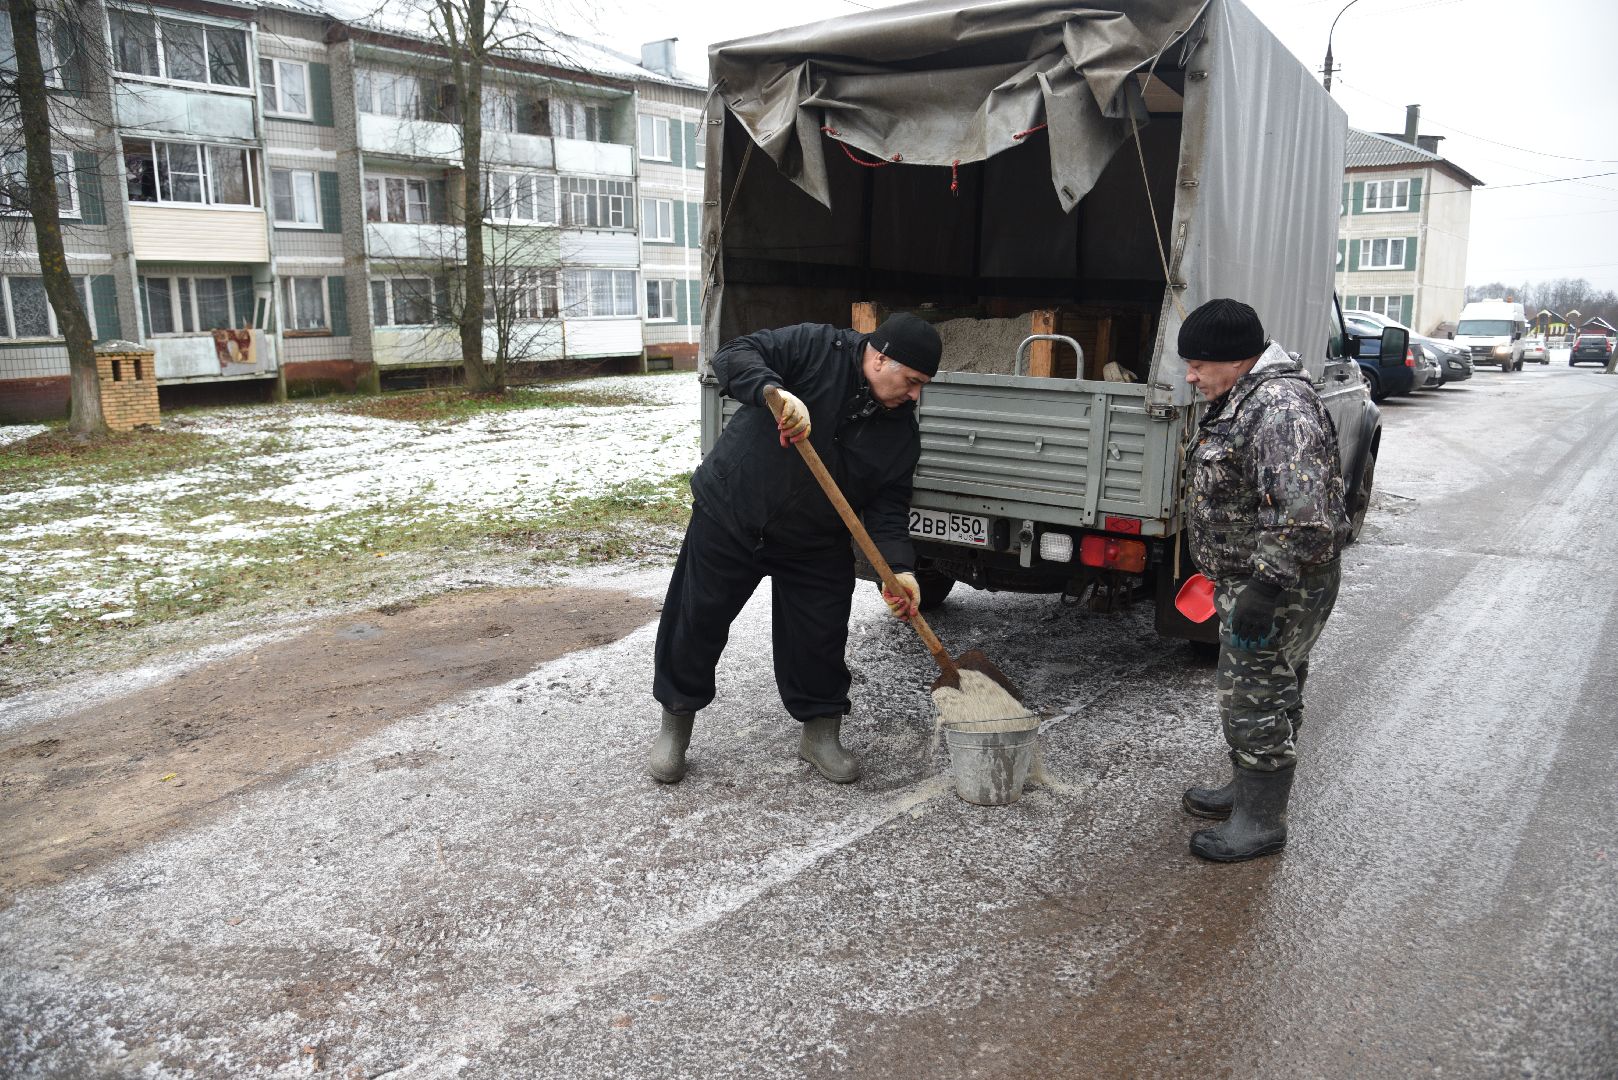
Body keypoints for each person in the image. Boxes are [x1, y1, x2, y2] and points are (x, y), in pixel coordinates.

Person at [647, 313, 942, 785]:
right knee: (695, 620)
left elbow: (887, 508)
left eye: (922, 386)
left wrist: (901, 569)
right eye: (911, 382)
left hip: (814, 541)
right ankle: (675, 725)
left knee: (821, 636)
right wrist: (773, 391)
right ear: (881, 357)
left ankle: (820, 734)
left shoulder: (900, 434)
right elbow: (735, 354)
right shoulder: (818, 348)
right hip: (732, 513)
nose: (915, 395)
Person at [1177, 298, 1349, 863]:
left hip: (1280, 582)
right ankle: (1246, 791)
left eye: (1199, 364)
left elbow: (1302, 513)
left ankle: (1261, 821)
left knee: (1252, 695)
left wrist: (1264, 587)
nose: (1191, 375)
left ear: (1237, 359)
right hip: (1263, 575)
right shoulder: (1248, 396)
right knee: (1274, 684)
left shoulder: (1276, 408)